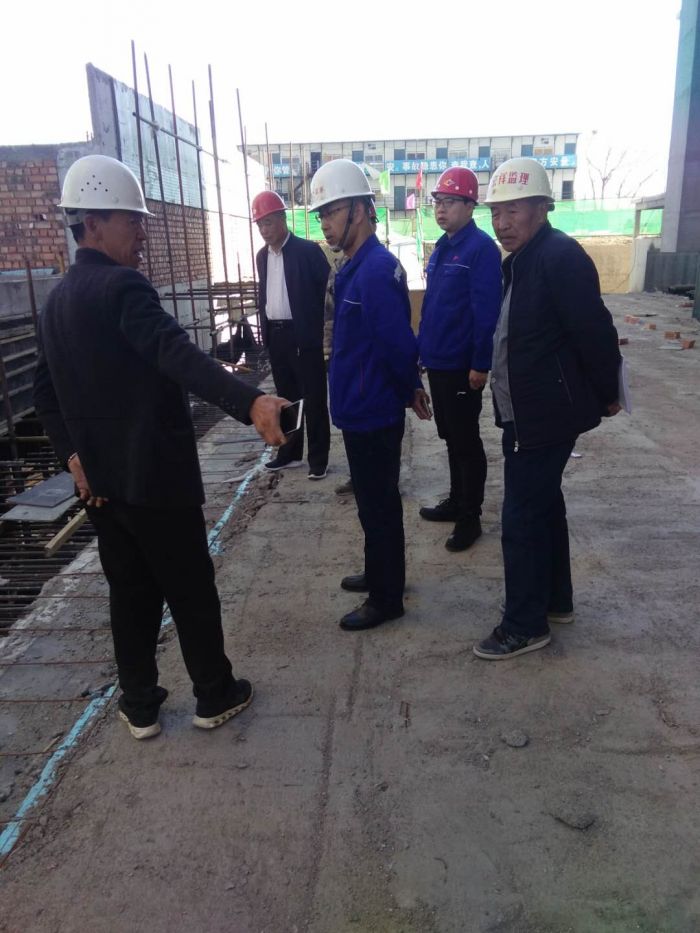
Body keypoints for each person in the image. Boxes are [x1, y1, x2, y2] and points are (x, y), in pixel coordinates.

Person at [33, 154, 289, 738]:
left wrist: (74, 458)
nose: (143, 234)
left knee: (130, 594)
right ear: (92, 224)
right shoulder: (122, 286)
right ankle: (214, 694)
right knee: (190, 589)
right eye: (132, 221)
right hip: (155, 479)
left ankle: (140, 705)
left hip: (103, 486)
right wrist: (250, 402)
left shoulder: (57, 300)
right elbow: (176, 353)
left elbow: (45, 394)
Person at [473, 157, 621, 660]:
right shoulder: (523, 259)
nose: (502, 223)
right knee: (544, 507)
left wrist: (608, 391)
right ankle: (556, 600)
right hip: (527, 410)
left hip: (543, 414)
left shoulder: (559, 257)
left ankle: (524, 625)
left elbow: (594, 331)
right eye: (496, 212)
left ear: (542, 208)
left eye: (513, 210)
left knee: (521, 518)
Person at [309, 158, 429, 631]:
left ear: (358, 211)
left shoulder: (376, 270)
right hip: (358, 406)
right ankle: (380, 572)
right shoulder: (354, 267)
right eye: (321, 214)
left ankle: (387, 597)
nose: (325, 223)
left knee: (380, 505)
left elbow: (397, 343)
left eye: (331, 212)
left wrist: (410, 387)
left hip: (375, 409)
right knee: (369, 502)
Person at [416, 167, 502, 551]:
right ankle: (455, 500)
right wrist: (422, 351)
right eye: (438, 201)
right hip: (438, 360)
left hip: (462, 365)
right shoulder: (442, 247)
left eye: (450, 202)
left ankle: (470, 517)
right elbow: (433, 306)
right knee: (449, 435)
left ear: (470, 206)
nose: (441, 209)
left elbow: (486, 312)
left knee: (466, 440)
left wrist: (481, 363)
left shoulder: (480, 249)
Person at [252, 191, 331, 479]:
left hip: (304, 336)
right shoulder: (262, 257)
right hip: (277, 335)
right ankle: (290, 454)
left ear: (283, 219)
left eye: (268, 222)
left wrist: (317, 329)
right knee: (286, 400)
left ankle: (318, 459)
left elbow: (327, 292)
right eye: (260, 224)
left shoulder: (308, 251)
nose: (264, 230)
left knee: (314, 398)